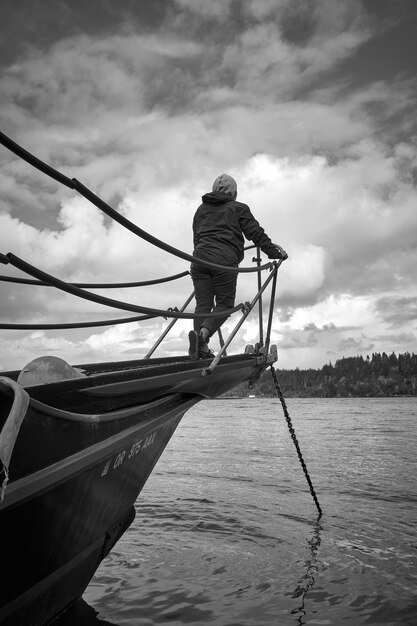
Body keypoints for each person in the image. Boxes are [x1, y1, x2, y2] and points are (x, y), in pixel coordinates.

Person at [188, 173, 287, 360]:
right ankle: (201, 337)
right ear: (234, 193)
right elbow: (255, 233)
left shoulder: (200, 210)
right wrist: (274, 253)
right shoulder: (238, 208)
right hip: (223, 261)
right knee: (225, 305)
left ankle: (199, 348)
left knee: (202, 305)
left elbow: (196, 237)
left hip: (199, 260)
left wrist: (201, 256)